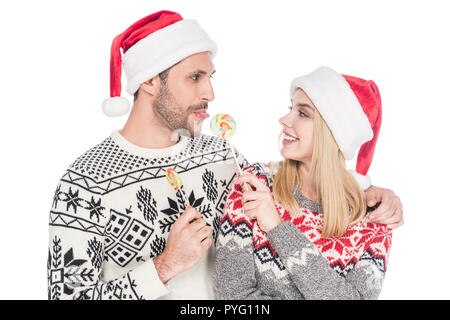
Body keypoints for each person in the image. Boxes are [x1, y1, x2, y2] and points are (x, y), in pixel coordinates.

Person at [47, 10, 403, 300]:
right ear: (150, 81)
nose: (211, 92)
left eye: (211, 77)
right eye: (195, 78)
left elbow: (300, 182)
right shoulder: (84, 184)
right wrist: (165, 265)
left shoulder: (222, 156)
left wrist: (369, 192)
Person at [214, 66, 397, 300]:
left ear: (333, 133)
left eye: (303, 113)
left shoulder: (374, 218)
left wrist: (277, 227)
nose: (284, 120)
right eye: (291, 108)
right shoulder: (254, 185)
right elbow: (232, 296)